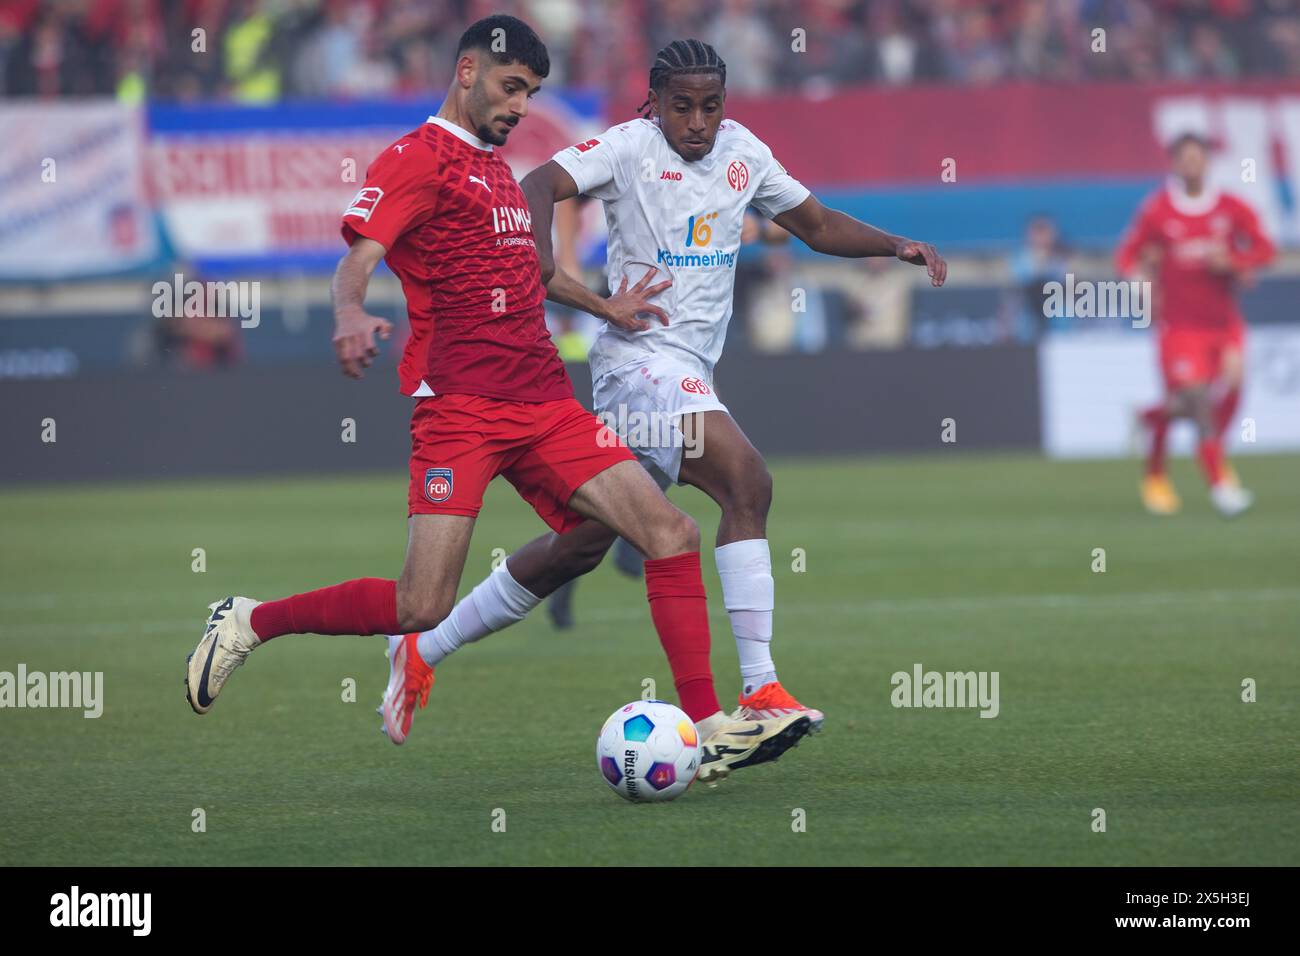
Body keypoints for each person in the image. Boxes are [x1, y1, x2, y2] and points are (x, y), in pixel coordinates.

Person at [184, 16, 811, 785]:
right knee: (420, 603)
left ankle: (711, 725)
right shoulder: (418, 159)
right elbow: (361, 255)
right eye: (512, 88)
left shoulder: (497, 171)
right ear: (468, 70)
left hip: (546, 401)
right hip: (463, 411)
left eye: (532, 93)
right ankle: (249, 620)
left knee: (671, 533)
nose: (520, 106)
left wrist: (603, 306)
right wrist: (350, 312)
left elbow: (535, 276)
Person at [401, 37, 946, 729]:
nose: (697, 122)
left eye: (710, 107)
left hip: (687, 370)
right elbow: (539, 183)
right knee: (747, 481)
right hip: (639, 366)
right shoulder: (628, 147)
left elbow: (815, 224)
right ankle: (759, 690)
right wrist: (539, 262)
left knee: (579, 548)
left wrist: (895, 244)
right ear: (654, 103)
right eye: (681, 106)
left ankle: (424, 645)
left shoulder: (744, 152)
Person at [1116, 132, 1275, 517]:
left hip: (1224, 323)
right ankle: (1213, 483)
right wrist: (1140, 281)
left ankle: (1148, 418)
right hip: (1179, 326)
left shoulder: (1231, 207)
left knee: (1226, 393)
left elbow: (1265, 249)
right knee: (1198, 399)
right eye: (1183, 158)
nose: (1190, 164)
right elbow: (1127, 256)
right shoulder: (1158, 211)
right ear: (1173, 164)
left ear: (1207, 162)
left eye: (1197, 157)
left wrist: (1236, 264)